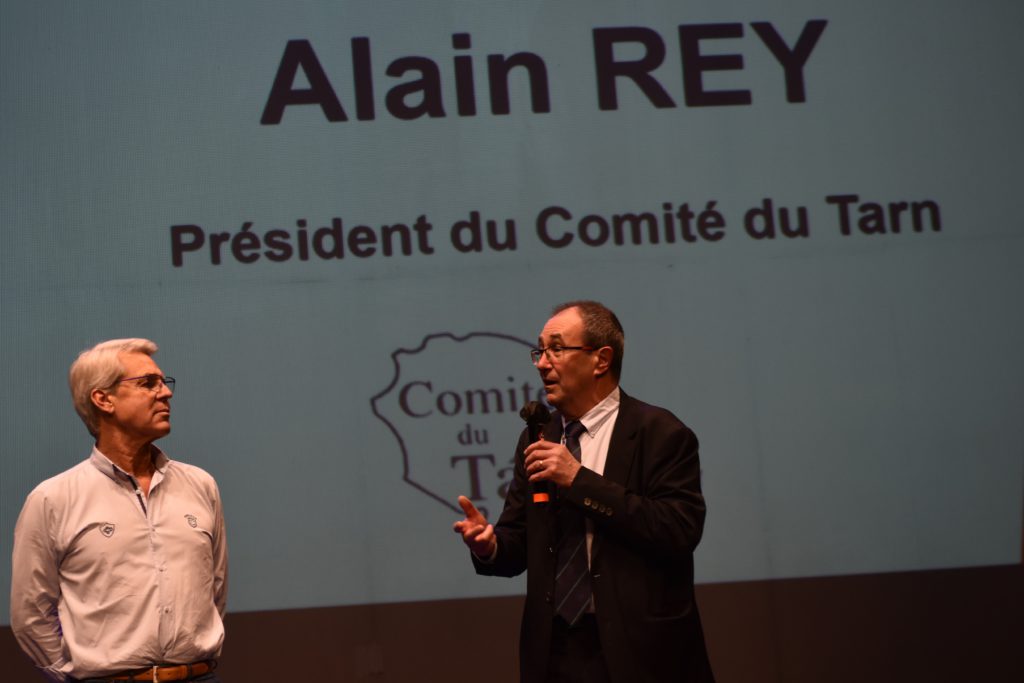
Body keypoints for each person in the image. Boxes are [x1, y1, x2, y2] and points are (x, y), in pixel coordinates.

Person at [453, 301, 714, 682]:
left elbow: (678, 530)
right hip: (556, 654)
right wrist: (489, 546)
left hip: (642, 651)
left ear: (601, 360)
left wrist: (579, 480)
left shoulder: (660, 433)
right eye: (539, 351)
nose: (542, 363)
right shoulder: (539, 436)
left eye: (556, 349)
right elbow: (521, 541)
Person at [10, 339, 227, 682]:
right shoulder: (53, 498)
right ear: (103, 399)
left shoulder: (200, 485)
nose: (165, 393)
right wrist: (73, 676)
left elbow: (214, 592)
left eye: (163, 382)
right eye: (147, 383)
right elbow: (30, 614)